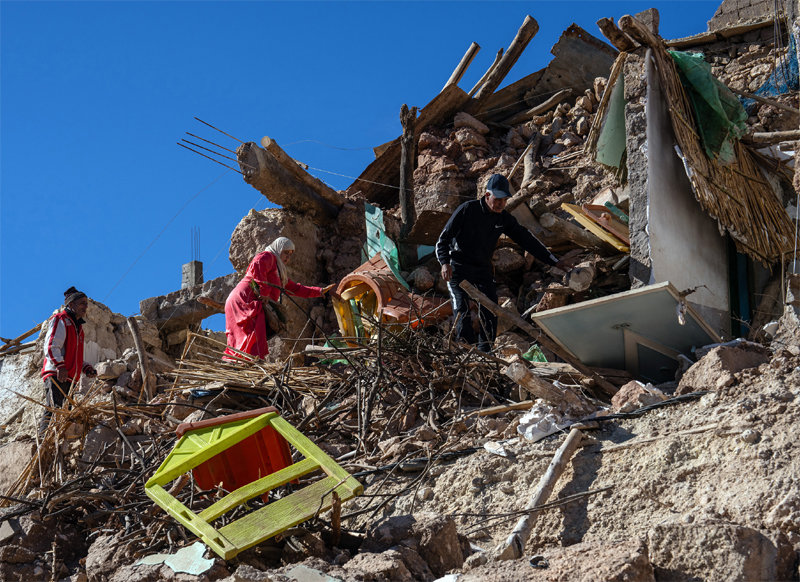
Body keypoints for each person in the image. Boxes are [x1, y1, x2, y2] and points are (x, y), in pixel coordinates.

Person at [436, 173, 568, 352]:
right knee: (461, 308)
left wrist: (554, 261)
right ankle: (464, 350)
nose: (501, 204)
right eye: (498, 199)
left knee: (491, 308)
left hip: (482, 268)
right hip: (458, 266)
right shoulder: (467, 210)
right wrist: (445, 263)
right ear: (487, 195)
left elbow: (526, 240)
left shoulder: (503, 218)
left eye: (504, 200)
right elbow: (442, 240)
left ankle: (485, 352)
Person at [224, 237, 332, 359]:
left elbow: (295, 289)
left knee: (253, 333)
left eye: (290, 254)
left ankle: (245, 361)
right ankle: (246, 361)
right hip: (245, 297)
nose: (288, 257)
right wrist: (264, 291)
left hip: (246, 299)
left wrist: (319, 291)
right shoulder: (268, 256)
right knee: (253, 330)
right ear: (278, 248)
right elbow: (258, 264)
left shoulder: (279, 271)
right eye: (286, 252)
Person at [40, 287, 97, 435]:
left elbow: (73, 355)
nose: (85, 307)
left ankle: (60, 440)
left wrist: (86, 368)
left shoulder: (79, 328)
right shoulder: (61, 319)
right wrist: (60, 365)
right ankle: (43, 439)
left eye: (86, 304)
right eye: (82, 303)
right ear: (71, 304)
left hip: (70, 378)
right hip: (57, 374)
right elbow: (51, 345)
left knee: (66, 413)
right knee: (54, 409)